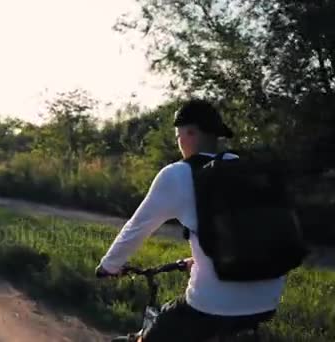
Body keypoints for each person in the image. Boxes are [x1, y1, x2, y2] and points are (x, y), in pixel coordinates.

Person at [95, 99, 282, 342]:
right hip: (267, 300)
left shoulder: (178, 174)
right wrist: (199, 260)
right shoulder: (247, 169)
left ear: (190, 132)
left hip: (212, 304)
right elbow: (247, 233)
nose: (178, 143)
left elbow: (137, 228)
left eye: (178, 136)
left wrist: (108, 266)